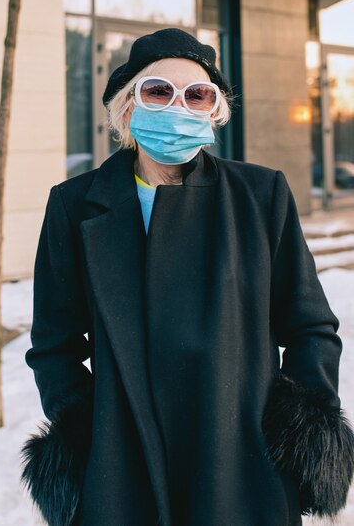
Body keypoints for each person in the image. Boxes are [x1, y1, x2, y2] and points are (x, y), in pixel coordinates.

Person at [21, 28, 354, 526]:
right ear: (128, 106)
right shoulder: (73, 205)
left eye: (198, 94)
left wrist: (294, 428)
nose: (178, 105)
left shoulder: (261, 195)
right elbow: (54, 343)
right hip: (122, 472)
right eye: (159, 90)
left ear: (214, 111)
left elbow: (310, 327)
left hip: (241, 464)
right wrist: (92, 429)